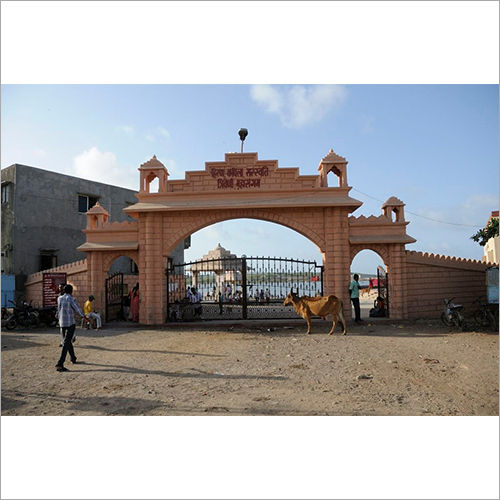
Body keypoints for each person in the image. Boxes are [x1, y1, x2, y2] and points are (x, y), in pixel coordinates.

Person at [55, 284, 84, 372]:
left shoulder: (59, 298)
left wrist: (58, 318)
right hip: (70, 323)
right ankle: (60, 363)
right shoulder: (71, 299)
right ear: (71, 291)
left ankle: (73, 358)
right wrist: (83, 316)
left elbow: (59, 309)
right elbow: (77, 309)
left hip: (62, 323)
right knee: (66, 342)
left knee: (67, 341)